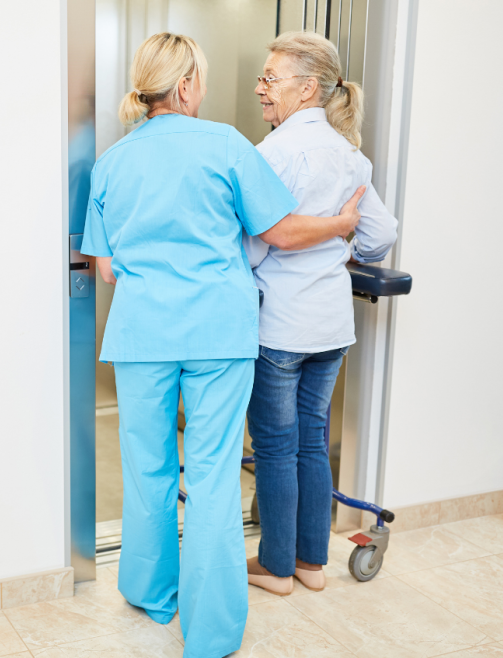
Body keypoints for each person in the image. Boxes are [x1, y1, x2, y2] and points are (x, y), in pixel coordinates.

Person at [82, 32, 363, 656]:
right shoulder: (229, 147)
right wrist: (344, 225)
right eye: (201, 79)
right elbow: (281, 230)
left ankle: (150, 592)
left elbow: (104, 268)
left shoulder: (112, 160)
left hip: (141, 334)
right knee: (211, 475)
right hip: (218, 334)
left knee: (147, 467)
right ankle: (209, 634)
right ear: (185, 87)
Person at [241, 32, 398, 596]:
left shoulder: (273, 153)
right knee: (312, 441)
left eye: (269, 78)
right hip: (331, 325)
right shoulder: (349, 154)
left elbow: (258, 243)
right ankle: (312, 564)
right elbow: (381, 234)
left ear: (307, 87)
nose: (260, 88)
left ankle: (278, 568)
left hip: (280, 325)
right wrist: (341, 244)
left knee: (277, 448)